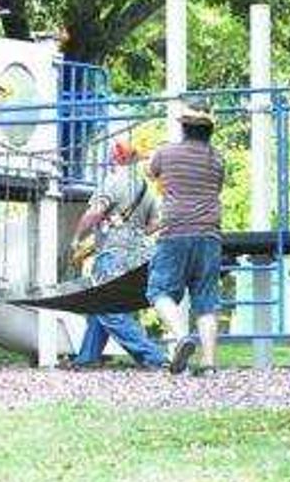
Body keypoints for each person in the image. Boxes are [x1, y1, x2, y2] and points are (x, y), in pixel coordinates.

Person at [65, 140, 167, 370]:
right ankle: (86, 358)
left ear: (115, 159)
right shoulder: (145, 188)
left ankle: (155, 358)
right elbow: (155, 223)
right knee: (100, 305)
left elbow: (94, 213)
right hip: (138, 255)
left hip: (112, 253)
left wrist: (76, 239)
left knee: (108, 309)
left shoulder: (112, 182)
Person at [145, 97, 226, 376]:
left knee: (159, 291)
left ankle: (182, 337)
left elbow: (149, 172)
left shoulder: (165, 153)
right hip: (210, 235)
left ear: (183, 126)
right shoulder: (217, 159)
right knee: (206, 300)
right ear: (209, 129)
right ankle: (209, 365)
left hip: (174, 233)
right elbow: (216, 187)